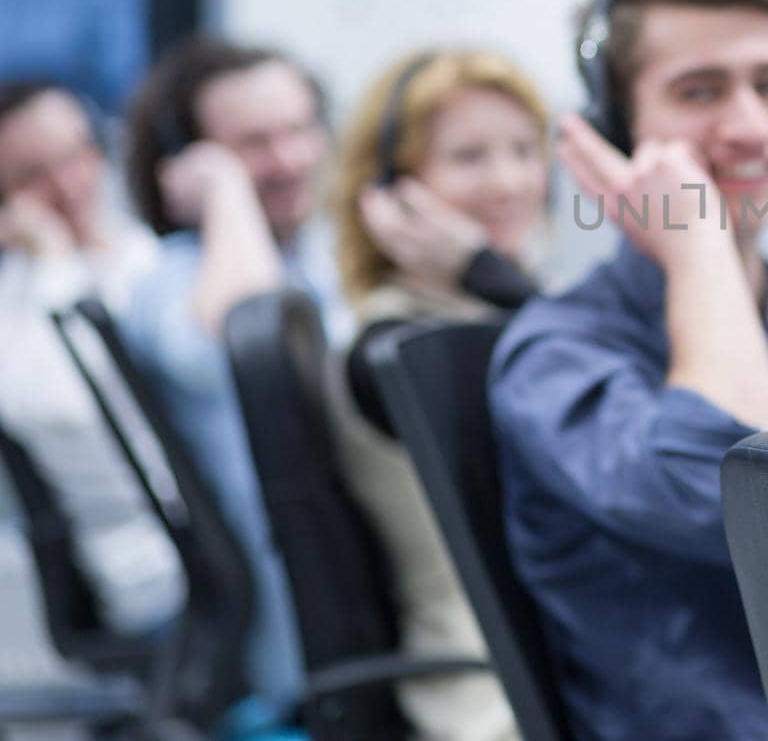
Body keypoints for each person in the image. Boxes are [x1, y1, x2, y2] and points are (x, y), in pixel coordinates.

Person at [489, 0, 768, 741]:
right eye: (699, 91)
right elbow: (729, 499)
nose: (752, 127)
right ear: (617, 131)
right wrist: (694, 243)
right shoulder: (554, 355)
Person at [119, 39, 347, 732]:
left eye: (300, 130)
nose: (290, 160)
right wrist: (224, 192)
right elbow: (247, 349)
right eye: (253, 144)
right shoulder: (173, 277)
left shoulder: (316, 255)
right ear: (189, 159)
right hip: (310, 634)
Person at [328, 48, 551, 741]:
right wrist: (491, 274)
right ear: (393, 191)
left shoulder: (482, 322)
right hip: (490, 705)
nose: (509, 180)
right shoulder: (393, 347)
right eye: (469, 157)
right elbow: (591, 392)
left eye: (523, 150)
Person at [0, 81, 185, 646]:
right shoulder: (17, 310)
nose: (70, 184)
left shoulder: (145, 257)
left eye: (78, 154)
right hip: (150, 573)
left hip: (223, 547)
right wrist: (53, 259)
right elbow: (83, 407)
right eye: (35, 174)